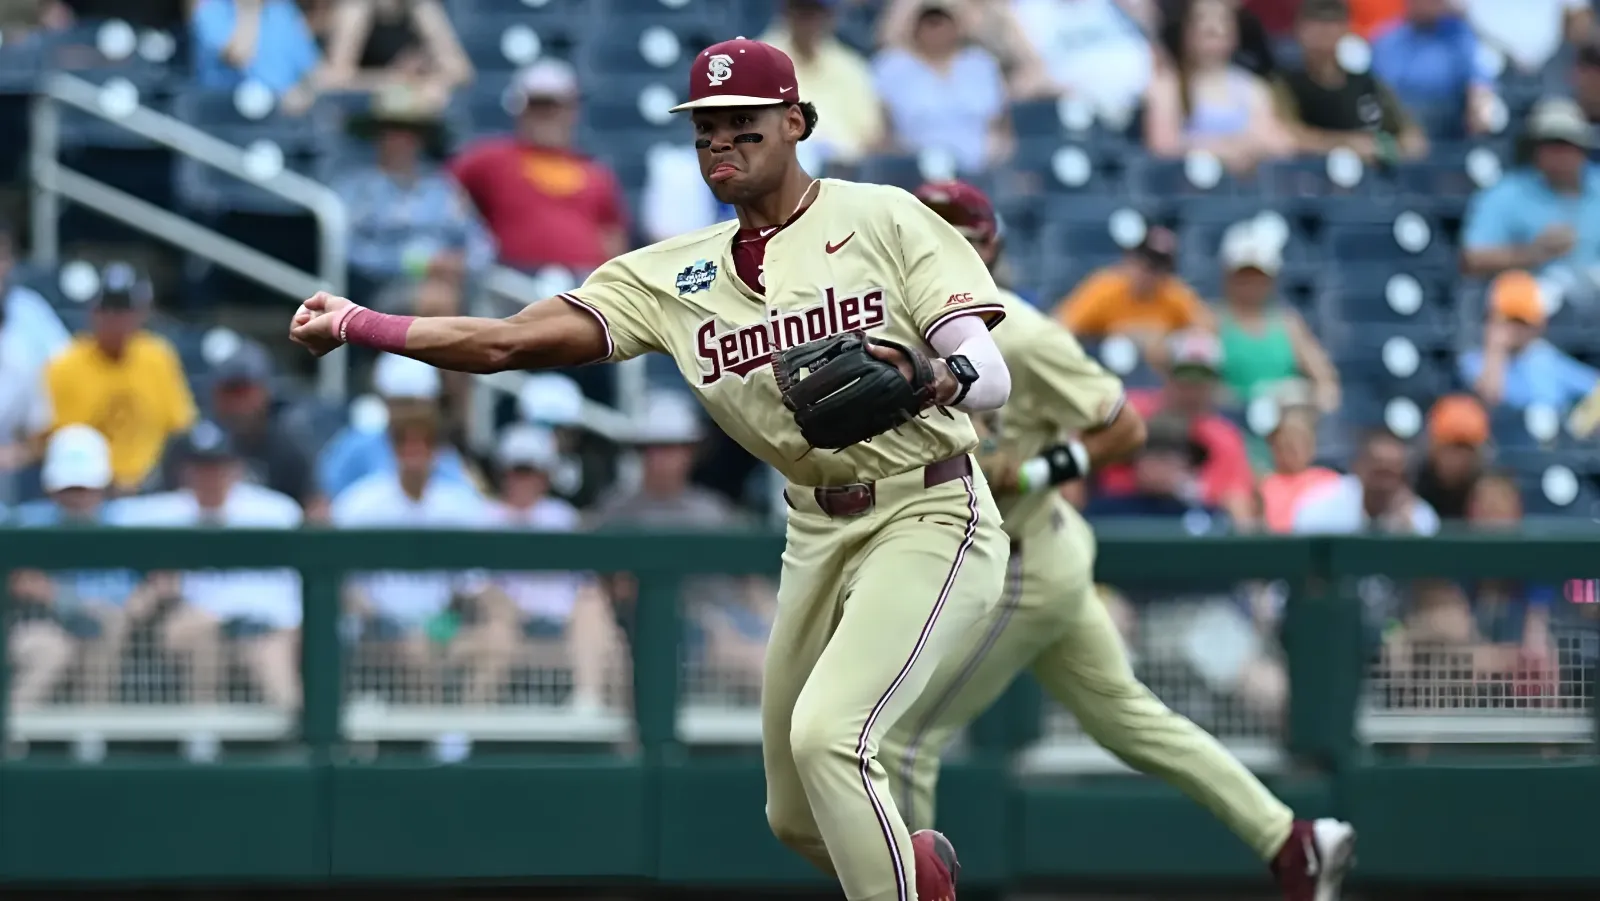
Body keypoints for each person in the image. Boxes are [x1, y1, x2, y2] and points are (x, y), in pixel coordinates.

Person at [292, 36, 1018, 901]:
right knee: (794, 811)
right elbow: (505, 341)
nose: (721, 144)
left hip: (926, 508)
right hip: (817, 528)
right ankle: (917, 873)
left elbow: (991, 372)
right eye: (705, 129)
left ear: (796, 122)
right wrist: (357, 323)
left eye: (742, 126)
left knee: (830, 738)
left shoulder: (883, 215)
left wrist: (934, 377)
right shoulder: (675, 273)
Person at [896, 179, 1356, 901]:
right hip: (1025, 552)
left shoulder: (1018, 332)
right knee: (1130, 719)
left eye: (961, 231)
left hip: (1021, 560)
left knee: (906, 740)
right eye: (929, 227)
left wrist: (1044, 467)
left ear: (990, 247)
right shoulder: (894, 326)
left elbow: (1123, 425)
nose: (942, 243)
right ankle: (1293, 841)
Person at [112, 423, 305, 709]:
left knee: (271, 662)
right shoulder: (159, 514)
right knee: (201, 635)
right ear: (185, 472)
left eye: (218, 467)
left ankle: (299, 744)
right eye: (201, 468)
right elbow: (95, 517)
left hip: (265, 626)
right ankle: (203, 740)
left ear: (236, 468)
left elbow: (297, 592)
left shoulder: (276, 513)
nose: (210, 477)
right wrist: (157, 578)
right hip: (198, 621)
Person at [448, 59, 629, 273]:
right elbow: (444, 194)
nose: (546, 116)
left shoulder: (596, 174)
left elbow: (612, 236)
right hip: (513, 282)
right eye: (537, 106)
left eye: (555, 107)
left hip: (582, 286)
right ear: (519, 110)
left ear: (572, 111)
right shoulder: (489, 160)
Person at [9, 426, 144, 705]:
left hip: (114, 623)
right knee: (47, 651)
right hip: (43, 623)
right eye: (69, 488)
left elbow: (159, 578)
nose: (77, 497)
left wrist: (137, 602)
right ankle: (10, 740)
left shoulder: (129, 524)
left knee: (105, 622)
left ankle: (91, 734)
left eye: (85, 488)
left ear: (103, 486)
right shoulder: (26, 523)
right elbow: (21, 580)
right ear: (51, 487)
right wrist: (65, 601)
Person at [46, 266, 197, 494]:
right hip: (87, 492)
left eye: (124, 310)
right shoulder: (65, 364)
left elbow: (180, 427)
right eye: (108, 309)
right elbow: (58, 440)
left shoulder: (158, 357)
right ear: (93, 312)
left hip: (153, 489)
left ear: (141, 314)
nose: (116, 319)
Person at [1144, 0, 1294, 172]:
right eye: (1202, 19)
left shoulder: (1253, 87)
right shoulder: (1167, 85)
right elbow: (1163, 147)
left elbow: (1280, 144)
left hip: (1244, 191)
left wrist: (1246, 149)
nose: (1212, 26)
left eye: (1222, 20)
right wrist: (1224, 151)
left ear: (1235, 32)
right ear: (1186, 30)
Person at [1461, 97, 1600, 280]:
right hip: (1530, 299)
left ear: (1582, 149)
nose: (1558, 155)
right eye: (1549, 145)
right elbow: (1472, 259)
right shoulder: (1505, 194)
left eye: (1566, 145)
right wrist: (1533, 253)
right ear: (1534, 150)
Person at [1273, 0, 1428, 162]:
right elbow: (1288, 136)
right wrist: (1347, 145)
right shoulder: (1286, 83)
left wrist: (1388, 148)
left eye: (1333, 23)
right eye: (1317, 23)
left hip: (1375, 179)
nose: (1325, 32)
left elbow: (1412, 137)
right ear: (1299, 29)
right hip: (1307, 177)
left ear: (1346, 28)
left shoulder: (1366, 82)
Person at [1214, 218, 1341, 413]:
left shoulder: (1289, 324)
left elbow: (1325, 382)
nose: (1251, 285)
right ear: (1228, 276)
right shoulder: (1210, 321)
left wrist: (1302, 398)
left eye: (1258, 277)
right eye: (1243, 277)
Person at [873, 0, 1013, 173]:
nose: (937, 29)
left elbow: (1001, 126)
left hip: (980, 169)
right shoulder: (892, 66)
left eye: (943, 22)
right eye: (930, 22)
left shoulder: (980, 63)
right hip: (916, 170)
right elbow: (884, 132)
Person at [1459, 269, 1599, 412]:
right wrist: (1495, 349)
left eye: (1523, 322)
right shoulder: (1471, 364)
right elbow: (1489, 401)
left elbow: (1595, 390)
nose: (1515, 330)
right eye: (1508, 320)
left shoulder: (1546, 359)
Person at [1054, 225, 1212, 346]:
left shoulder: (1173, 292)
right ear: (1131, 259)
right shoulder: (1105, 288)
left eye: (1160, 267)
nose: (1152, 273)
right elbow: (1061, 326)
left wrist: (1170, 343)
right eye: (1147, 263)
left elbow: (1207, 332)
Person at [314, 0, 472, 108]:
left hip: (409, 120)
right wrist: (396, 80)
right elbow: (334, 77)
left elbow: (461, 73)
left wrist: (430, 82)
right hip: (363, 115)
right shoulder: (355, 8)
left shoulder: (421, 7)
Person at [1293, 428, 1440, 535]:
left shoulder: (1419, 515)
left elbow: (1432, 574)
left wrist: (1407, 534)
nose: (1384, 483)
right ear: (1358, 466)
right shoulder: (1323, 503)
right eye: (1378, 472)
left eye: (1391, 474)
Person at [1414, 394, 1489, 521]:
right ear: (1433, 448)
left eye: (1465, 449)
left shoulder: (1489, 494)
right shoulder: (1412, 486)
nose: (1457, 459)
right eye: (1450, 448)